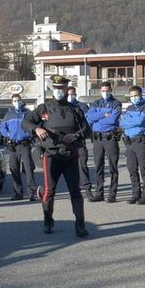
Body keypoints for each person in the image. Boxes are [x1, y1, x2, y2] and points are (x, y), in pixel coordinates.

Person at [21, 74, 92, 236]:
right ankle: (48, 221)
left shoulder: (75, 110)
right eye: (56, 88)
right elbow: (25, 122)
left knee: (75, 191)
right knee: (49, 191)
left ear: (67, 89)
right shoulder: (43, 108)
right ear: (52, 89)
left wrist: (77, 136)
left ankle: (80, 225)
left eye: (62, 88)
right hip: (51, 156)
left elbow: (87, 130)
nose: (59, 91)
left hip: (70, 155)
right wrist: (36, 129)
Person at [85, 81, 121, 203]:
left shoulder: (116, 103)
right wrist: (103, 114)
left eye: (107, 91)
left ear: (111, 90)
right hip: (97, 139)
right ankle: (99, 193)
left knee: (113, 167)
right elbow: (89, 118)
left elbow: (112, 120)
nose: (105, 93)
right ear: (100, 91)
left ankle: (112, 194)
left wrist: (98, 117)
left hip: (110, 138)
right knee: (98, 167)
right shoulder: (96, 103)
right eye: (103, 91)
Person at [0, 93, 37, 201]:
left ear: (22, 101)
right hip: (13, 145)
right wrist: (8, 135)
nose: (17, 102)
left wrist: (28, 135)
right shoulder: (9, 115)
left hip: (25, 144)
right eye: (15, 101)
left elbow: (34, 127)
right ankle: (18, 193)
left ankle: (32, 193)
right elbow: (2, 128)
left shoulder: (28, 113)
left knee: (29, 168)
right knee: (14, 169)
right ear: (12, 102)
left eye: (18, 100)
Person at [120, 85, 145, 205]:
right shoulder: (129, 108)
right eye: (132, 96)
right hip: (129, 142)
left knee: (143, 168)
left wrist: (130, 121)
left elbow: (142, 121)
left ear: (140, 95)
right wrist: (132, 121)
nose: (134, 98)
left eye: (136, 96)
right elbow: (122, 123)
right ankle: (136, 194)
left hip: (140, 141)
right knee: (131, 169)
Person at [67, 85, 93, 199]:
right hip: (67, 142)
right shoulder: (63, 107)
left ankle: (87, 188)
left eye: (72, 94)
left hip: (79, 140)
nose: (70, 96)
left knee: (82, 165)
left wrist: (79, 134)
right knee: (69, 168)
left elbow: (87, 124)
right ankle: (73, 190)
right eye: (68, 94)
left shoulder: (82, 107)